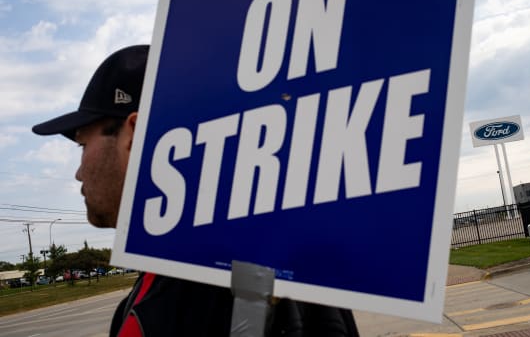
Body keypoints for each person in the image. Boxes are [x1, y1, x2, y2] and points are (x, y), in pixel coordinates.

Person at [32, 45, 359, 337]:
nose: (78, 173)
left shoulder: (250, 285)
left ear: (135, 134)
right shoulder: (161, 282)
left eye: (81, 145)